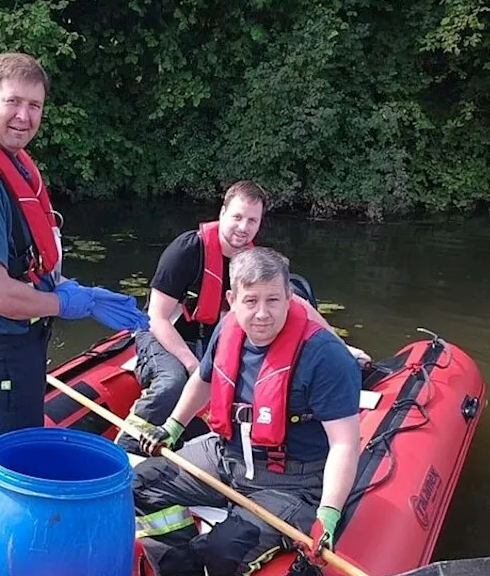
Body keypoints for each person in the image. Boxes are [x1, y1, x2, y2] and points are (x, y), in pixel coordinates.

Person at [0, 52, 149, 530]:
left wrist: (67, 287)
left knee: (6, 462)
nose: (24, 116)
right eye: (13, 102)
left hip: (11, 352)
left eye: (35, 106)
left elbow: (25, 261)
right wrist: (71, 303)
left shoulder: (9, 164)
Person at [131, 247, 364, 576]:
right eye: (251, 300)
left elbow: (345, 444)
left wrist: (329, 514)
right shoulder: (229, 329)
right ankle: (182, 574)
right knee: (139, 485)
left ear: (289, 297)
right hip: (226, 454)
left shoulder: (325, 357)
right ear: (232, 300)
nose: (262, 313)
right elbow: (205, 380)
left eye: (273, 299)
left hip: (293, 481)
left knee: (223, 551)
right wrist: (172, 427)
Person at [113, 182, 368, 454]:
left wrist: (344, 348)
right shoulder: (187, 251)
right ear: (222, 213)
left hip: (206, 341)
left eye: (252, 220)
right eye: (237, 217)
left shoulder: (252, 262)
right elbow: (157, 318)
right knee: (173, 381)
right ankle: (127, 444)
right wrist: (191, 365)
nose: (243, 227)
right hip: (162, 335)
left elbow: (298, 304)